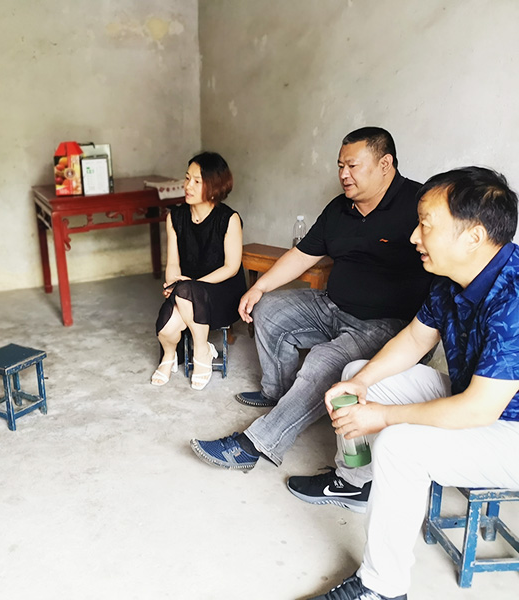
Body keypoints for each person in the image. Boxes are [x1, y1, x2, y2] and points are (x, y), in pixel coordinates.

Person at [303, 166, 519, 600]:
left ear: (473, 236)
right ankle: (356, 482)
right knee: (354, 377)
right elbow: (416, 338)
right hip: (475, 398)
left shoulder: (513, 297)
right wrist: (363, 383)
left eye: (426, 225)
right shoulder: (453, 277)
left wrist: (383, 417)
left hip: (507, 428)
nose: (414, 236)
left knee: (400, 446)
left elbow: (480, 409)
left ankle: (382, 588)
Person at [190, 128, 433, 482]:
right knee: (268, 309)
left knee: (323, 361)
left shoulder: (419, 206)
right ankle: (279, 394)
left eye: (352, 165)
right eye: (340, 166)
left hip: (384, 324)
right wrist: (259, 288)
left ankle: (256, 444)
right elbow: (303, 254)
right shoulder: (339, 208)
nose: (343, 174)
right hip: (331, 305)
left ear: (385, 164)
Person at [152, 152, 246, 390]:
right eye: (187, 179)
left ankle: (201, 351)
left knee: (186, 292)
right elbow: (173, 264)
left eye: (197, 181)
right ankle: (169, 356)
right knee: (166, 328)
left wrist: (192, 285)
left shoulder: (229, 218)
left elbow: (231, 267)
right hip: (187, 288)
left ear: (214, 187)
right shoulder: (175, 217)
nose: (188, 186)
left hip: (222, 289)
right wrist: (173, 284)